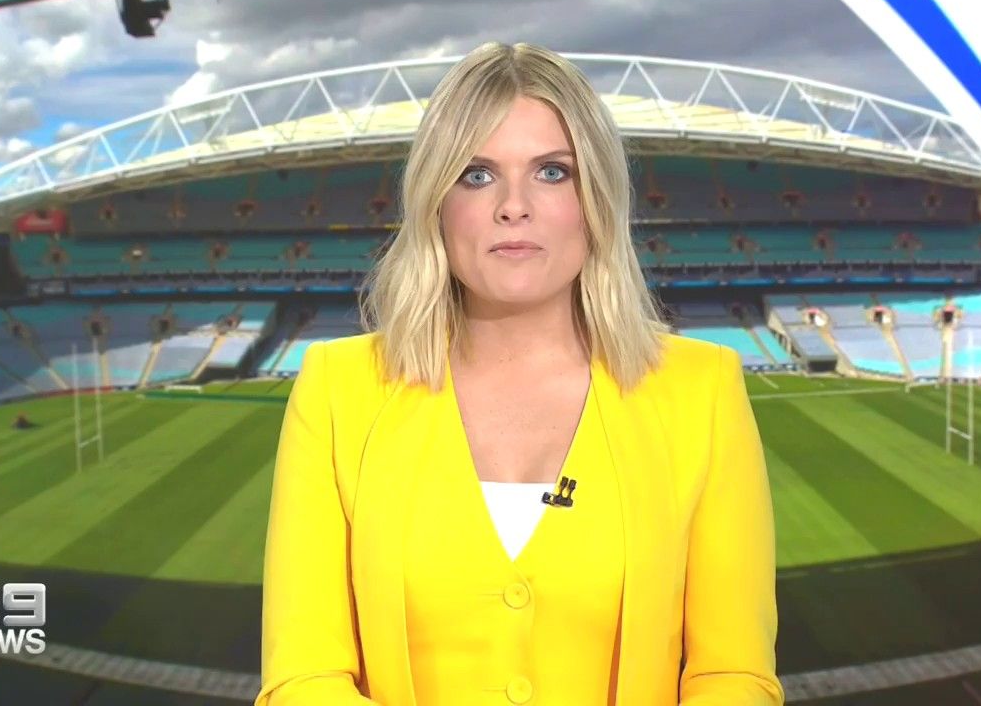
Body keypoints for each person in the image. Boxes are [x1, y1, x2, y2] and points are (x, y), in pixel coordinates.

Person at [255, 42, 784, 706]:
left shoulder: (701, 389)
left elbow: (733, 675)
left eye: (552, 172)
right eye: (476, 174)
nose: (514, 205)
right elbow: (303, 678)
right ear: (435, 203)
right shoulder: (339, 387)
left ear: (597, 199)